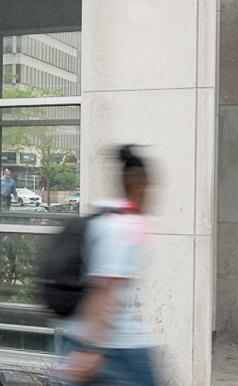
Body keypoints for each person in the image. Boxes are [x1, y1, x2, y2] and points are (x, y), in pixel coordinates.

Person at [56, 145, 159, 386]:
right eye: (150, 186)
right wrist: (90, 349)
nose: (153, 192)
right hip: (119, 348)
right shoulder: (126, 225)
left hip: (95, 339)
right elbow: (105, 287)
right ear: (139, 185)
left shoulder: (106, 216)